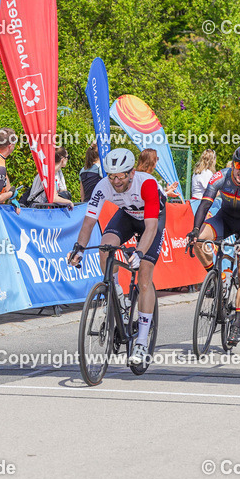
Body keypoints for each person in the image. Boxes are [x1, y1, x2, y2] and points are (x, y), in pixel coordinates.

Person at [68, 149, 165, 368]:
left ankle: (141, 341)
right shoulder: (103, 186)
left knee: (144, 277)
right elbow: (89, 222)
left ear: (131, 172)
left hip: (152, 220)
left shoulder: (146, 183)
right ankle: (118, 296)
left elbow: (150, 227)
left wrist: (140, 253)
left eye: (120, 176)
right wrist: (79, 248)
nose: (115, 181)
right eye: (112, 176)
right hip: (128, 216)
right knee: (105, 246)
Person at [187, 146, 240, 347]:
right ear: (233, 164)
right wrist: (195, 230)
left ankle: (237, 323)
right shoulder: (221, 176)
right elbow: (204, 204)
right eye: (239, 165)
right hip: (224, 218)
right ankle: (217, 278)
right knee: (200, 241)